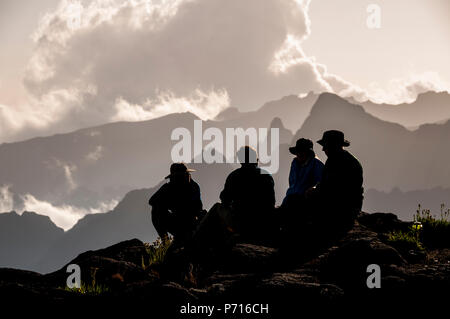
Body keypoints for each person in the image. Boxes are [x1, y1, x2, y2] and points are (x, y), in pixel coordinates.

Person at [195, 146, 276, 247]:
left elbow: (225, 200)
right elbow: (271, 202)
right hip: (263, 222)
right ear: (256, 159)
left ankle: (196, 241)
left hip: (241, 222)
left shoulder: (235, 176)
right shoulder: (266, 176)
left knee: (217, 208)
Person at [310, 130, 364, 230]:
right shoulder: (335, 160)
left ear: (333, 146)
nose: (323, 149)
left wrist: (315, 191)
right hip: (345, 203)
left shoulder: (343, 162)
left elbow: (332, 187)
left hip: (344, 207)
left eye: (325, 146)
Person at [149, 163, 205, 244]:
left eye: (187, 174)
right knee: (156, 211)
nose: (187, 176)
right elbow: (152, 202)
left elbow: (198, 208)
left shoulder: (193, 187)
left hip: (190, 223)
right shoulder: (168, 188)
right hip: (177, 222)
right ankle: (166, 242)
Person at [281, 138, 324, 208]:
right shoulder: (294, 164)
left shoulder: (317, 165)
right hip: (290, 200)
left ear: (308, 153)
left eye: (302, 151)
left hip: (306, 202)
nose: (299, 154)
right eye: (298, 151)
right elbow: (292, 184)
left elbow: (320, 184)